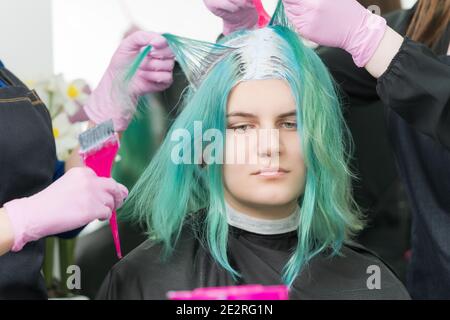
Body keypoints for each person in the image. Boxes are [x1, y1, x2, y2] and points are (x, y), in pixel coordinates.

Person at [96, 16, 410, 299]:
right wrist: (98, 122)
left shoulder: (369, 282)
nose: (270, 146)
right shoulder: (144, 280)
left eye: (290, 124)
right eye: (243, 126)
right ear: (205, 148)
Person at [0, 30, 175, 299]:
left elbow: (61, 195)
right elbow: (37, 209)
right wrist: (21, 219)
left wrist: (107, 115)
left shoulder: (5, 76)